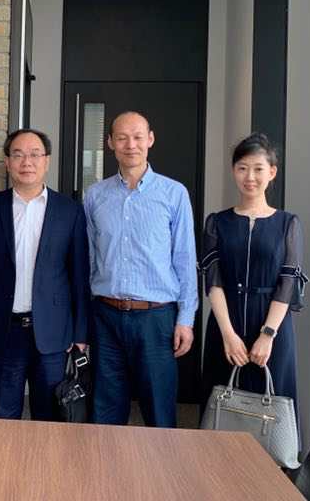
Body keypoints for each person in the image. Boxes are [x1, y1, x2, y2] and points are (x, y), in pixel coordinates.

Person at [84, 110, 197, 428]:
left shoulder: (174, 193)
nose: (130, 144)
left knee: (159, 412)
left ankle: (161, 465)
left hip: (156, 318)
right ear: (110, 143)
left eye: (137, 137)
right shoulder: (95, 196)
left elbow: (185, 259)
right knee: (105, 411)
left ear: (150, 139)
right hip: (105, 316)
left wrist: (186, 319)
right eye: (122, 138)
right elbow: (88, 258)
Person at [0, 128, 89, 420]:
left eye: (35, 155)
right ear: (7, 162)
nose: (27, 162)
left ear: (47, 161)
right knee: (2, 414)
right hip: (3, 331)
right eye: (18, 155)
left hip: (54, 333)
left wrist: (80, 333)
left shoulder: (69, 211)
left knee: (49, 418)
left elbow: (79, 276)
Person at [200, 133, 307, 424]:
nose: (250, 177)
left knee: (272, 411)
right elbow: (213, 280)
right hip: (226, 323)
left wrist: (267, 335)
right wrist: (228, 334)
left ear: (272, 172)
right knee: (221, 407)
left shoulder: (287, 223)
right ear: (233, 171)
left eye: (258, 169)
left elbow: (287, 281)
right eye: (242, 168)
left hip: (273, 328)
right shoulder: (217, 222)